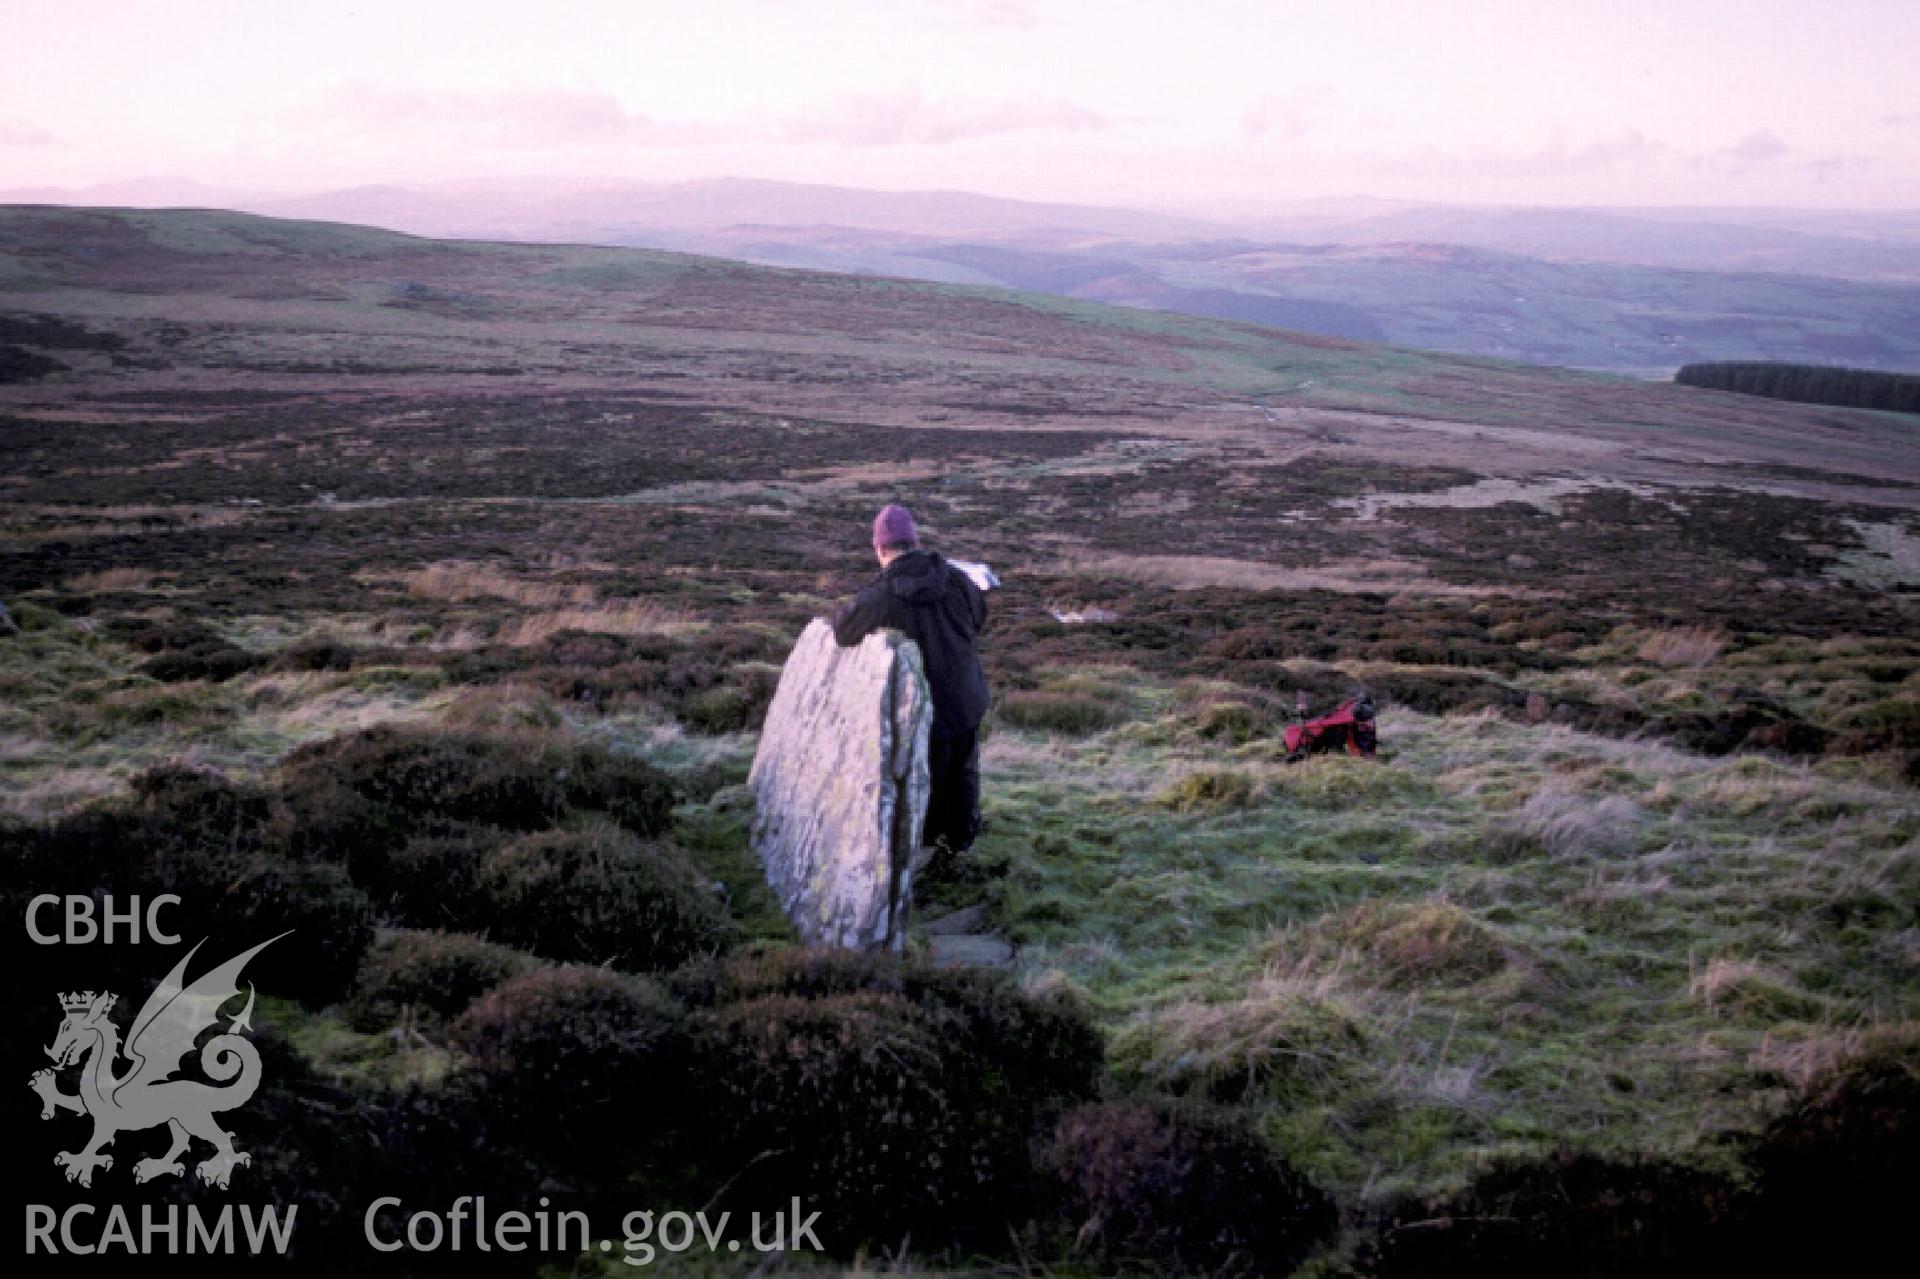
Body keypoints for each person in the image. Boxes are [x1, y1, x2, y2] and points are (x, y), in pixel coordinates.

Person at [831, 504, 988, 855]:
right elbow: (979, 615)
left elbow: (843, 629)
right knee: (963, 772)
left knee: (927, 780)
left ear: (880, 548)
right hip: (966, 696)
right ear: (915, 541)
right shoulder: (957, 579)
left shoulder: (882, 596)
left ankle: (932, 849)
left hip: (926, 708)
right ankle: (961, 844)